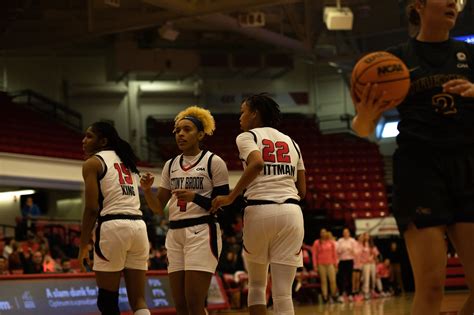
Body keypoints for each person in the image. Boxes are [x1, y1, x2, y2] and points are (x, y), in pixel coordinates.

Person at [351, 0, 474, 313]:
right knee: (431, 289)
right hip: (420, 171)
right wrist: (365, 114)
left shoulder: (470, 56)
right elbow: (363, 128)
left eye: (457, 0)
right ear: (418, 5)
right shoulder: (394, 59)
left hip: (468, 166)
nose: (452, 3)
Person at [211, 93, 306, 315]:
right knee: (284, 293)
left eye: (243, 112)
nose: (240, 117)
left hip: (260, 209)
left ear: (255, 114)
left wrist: (230, 197)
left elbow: (257, 163)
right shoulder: (293, 142)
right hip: (292, 212)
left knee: (256, 285)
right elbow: (302, 190)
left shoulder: (246, 137)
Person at [140, 106, 229, 315]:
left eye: (187, 129)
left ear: (200, 134)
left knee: (194, 303)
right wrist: (147, 191)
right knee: (180, 306)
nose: (180, 134)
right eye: (178, 130)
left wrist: (195, 198)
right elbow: (157, 209)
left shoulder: (213, 162)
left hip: (201, 231)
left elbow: (225, 204)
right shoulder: (170, 165)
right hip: (175, 234)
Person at [78, 121, 150, 315]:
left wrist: (83, 244)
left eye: (89, 136)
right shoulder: (127, 161)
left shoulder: (93, 163)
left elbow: (92, 208)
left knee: (107, 301)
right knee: (139, 301)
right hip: (139, 228)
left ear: (103, 141)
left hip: (113, 227)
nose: (84, 140)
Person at [312, 228, 338, 303]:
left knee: (333, 280)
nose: (323, 234)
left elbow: (334, 254)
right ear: (320, 234)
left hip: (330, 264)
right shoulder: (317, 242)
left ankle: (333, 295)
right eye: (322, 232)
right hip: (321, 264)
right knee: (323, 281)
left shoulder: (331, 242)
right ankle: (325, 296)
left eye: (324, 232)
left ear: (326, 233)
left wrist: (336, 265)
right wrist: (315, 266)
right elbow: (314, 255)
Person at [336, 228, 358, 302]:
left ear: (349, 233)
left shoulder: (352, 240)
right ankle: (341, 294)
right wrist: (343, 249)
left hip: (350, 261)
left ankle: (350, 294)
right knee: (341, 278)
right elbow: (337, 250)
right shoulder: (340, 241)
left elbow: (356, 251)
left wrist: (350, 249)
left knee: (349, 277)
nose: (345, 233)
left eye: (347, 232)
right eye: (344, 232)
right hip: (342, 261)